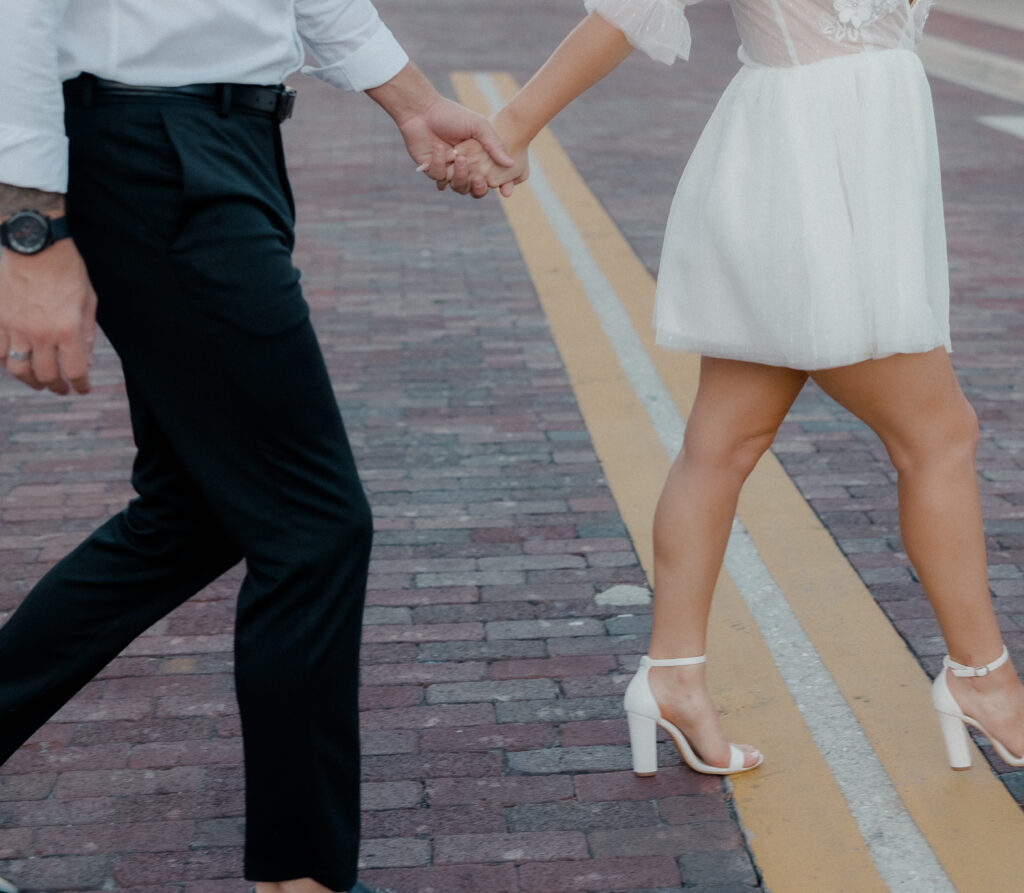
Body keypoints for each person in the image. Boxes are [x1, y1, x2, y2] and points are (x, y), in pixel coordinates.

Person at [0, 1, 513, 892]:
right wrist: (28, 229)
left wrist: (413, 101)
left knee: (194, 513)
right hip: (147, 143)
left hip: (229, 140)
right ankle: (300, 877)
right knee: (314, 525)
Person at [457, 0, 1024, 776]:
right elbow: (629, 11)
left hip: (825, 168)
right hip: (815, 179)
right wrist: (512, 127)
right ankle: (984, 681)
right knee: (938, 436)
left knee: (723, 444)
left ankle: (673, 677)